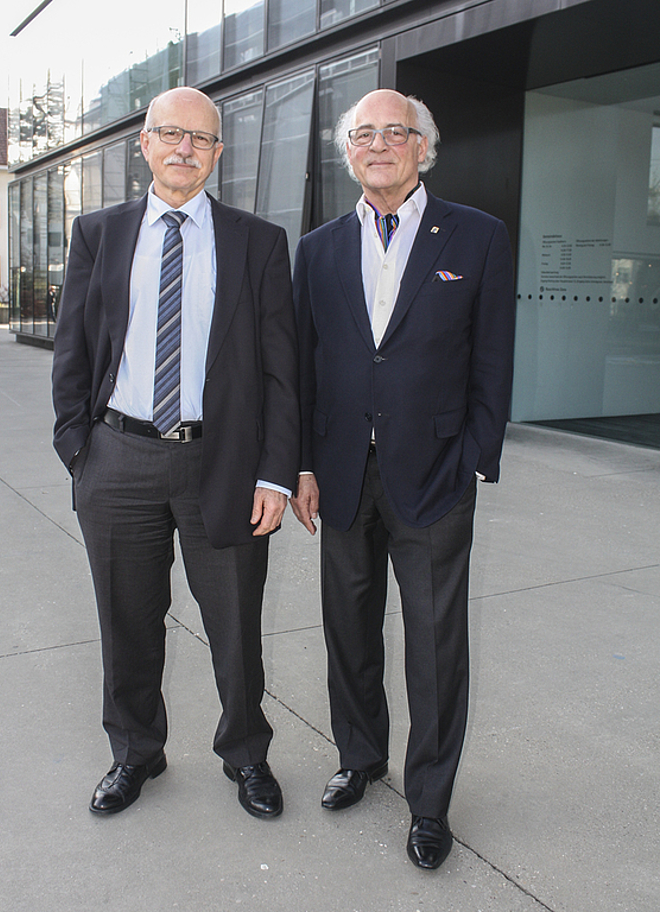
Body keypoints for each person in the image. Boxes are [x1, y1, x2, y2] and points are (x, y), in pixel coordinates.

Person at [52, 87, 299, 820]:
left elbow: (283, 372)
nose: (185, 147)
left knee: (235, 626)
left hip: (221, 463)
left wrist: (274, 474)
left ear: (218, 154)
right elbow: (72, 349)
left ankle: (247, 755)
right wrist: (79, 449)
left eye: (201, 138)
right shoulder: (98, 233)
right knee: (127, 621)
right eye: (171, 133)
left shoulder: (258, 242)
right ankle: (135, 753)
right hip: (118, 457)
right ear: (146, 144)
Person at [291, 89, 515, 869]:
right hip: (343, 475)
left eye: (396, 132)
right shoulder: (317, 248)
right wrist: (306, 466)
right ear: (346, 151)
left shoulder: (479, 237)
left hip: (435, 477)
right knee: (348, 630)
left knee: (434, 647)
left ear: (424, 148)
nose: (379, 144)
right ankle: (359, 758)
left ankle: (429, 802)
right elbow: (307, 365)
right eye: (364, 134)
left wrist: (474, 460)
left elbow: (493, 358)